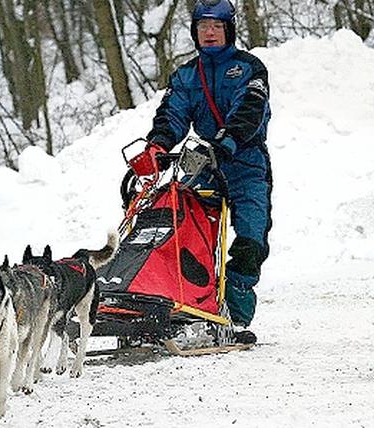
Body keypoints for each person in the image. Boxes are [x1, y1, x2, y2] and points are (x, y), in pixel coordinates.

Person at [139, 0, 271, 344]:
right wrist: (157, 145)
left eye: (216, 26)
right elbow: (173, 114)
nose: (209, 33)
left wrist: (227, 142)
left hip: (246, 163)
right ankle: (182, 300)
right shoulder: (186, 75)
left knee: (251, 241)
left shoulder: (249, 68)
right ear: (195, 32)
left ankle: (235, 315)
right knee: (177, 228)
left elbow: (250, 110)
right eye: (202, 27)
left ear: (229, 30)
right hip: (204, 166)